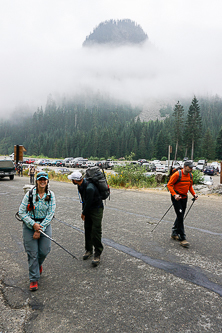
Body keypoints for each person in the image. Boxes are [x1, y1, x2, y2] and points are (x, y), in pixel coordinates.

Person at [19, 172, 56, 291]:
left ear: (47, 181)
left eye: (44, 179)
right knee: (32, 253)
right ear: (37, 181)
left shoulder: (51, 195)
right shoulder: (30, 194)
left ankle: (38, 266)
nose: (42, 181)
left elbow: (50, 214)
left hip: (44, 225)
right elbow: (21, 212)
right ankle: (34, 279)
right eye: (40, 179)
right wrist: (33, 224)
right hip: (30, 225)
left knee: (44, 251)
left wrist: (40, 228)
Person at [68, 171, 104, 266]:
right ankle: (89, 250)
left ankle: (97, 253)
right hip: (88, 208)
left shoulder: (90, 188)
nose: (71, 181)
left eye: (72, 179)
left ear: (75, 180)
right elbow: (84, 200)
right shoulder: (80, 185)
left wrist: (83, 213)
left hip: (96, 209)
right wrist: (83, 211)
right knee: (87, 229)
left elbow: (88, 202)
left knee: (96, 231)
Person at [167, 160, 198, 248]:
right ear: (185, 167)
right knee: (180, 216)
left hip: (184, 198)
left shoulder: (190, 175)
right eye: (190, 167)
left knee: (181, 215)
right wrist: (174, 195)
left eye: (192, 167)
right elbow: (169, 185)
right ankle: (182, 238)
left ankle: (174, 233)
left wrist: (194, 194)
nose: (191, 169)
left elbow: (190, 186)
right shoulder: (177, 174)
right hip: (176, 198)